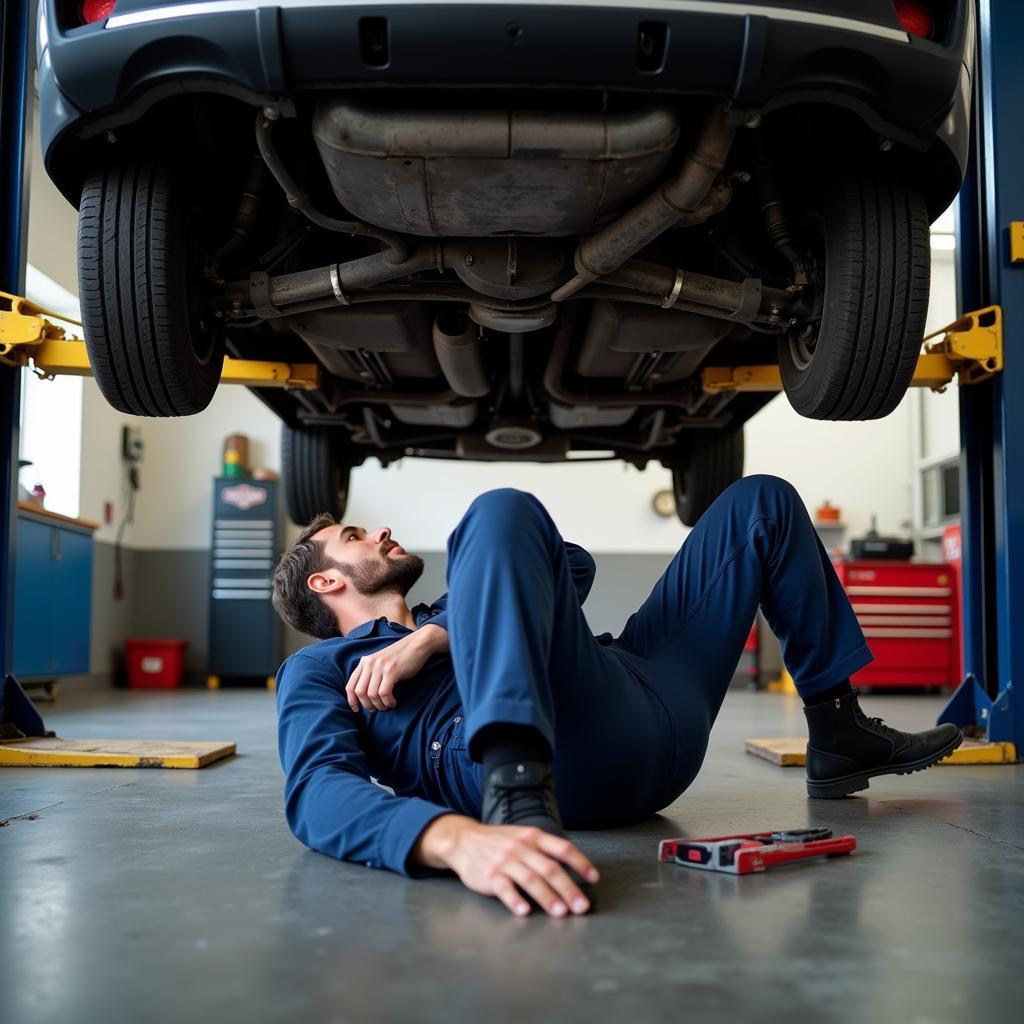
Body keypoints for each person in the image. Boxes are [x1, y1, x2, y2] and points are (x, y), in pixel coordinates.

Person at [271, 477, 962, 918]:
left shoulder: (453, 606)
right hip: (569, 757)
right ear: (325, 585)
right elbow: (316, 791)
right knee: (498, 508)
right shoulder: (322, 671)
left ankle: (838, 731)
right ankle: (516, 787)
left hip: (638, 686)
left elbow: (571, 565)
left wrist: (436, 635)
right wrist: (450, 841)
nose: (379, 532)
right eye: (354, 538)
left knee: (762, 504)